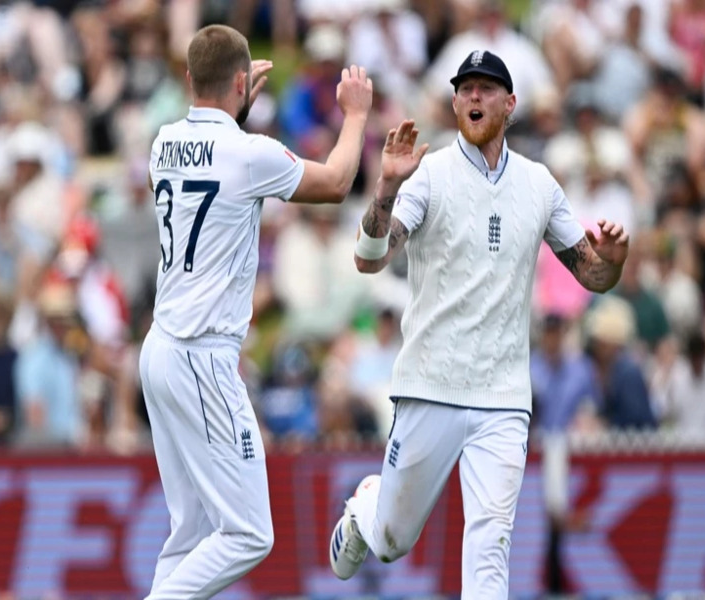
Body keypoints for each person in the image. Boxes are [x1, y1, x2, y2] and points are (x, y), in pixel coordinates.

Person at [328, 50, 630, 597]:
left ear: (510, 104)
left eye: (486, 88)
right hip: (430, 385)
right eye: (465, 88)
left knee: (491, 542)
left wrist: (614, 259)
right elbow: (369, 259)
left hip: (503, 396)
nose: (473, 96)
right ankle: (364, 507)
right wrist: (387, 189)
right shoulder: (429, 175)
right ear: (453, 102)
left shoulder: (538, 185)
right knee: (393, 539)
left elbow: (592, 276)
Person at [140, 25, 373, 599]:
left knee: (190, 533)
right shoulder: (249, 154)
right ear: (244, 84)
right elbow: (339, 182)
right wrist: (357, 115)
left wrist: (234, 101)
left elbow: (214, 156)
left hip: (160, 349)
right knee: (248, 534)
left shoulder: (163, 140)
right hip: (202, 357)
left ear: (189, 79)